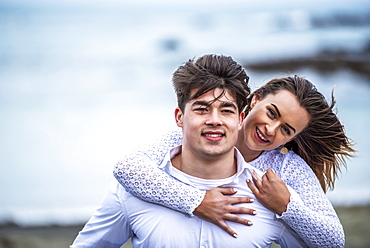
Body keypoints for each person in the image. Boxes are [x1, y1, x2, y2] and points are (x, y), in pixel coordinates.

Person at [70, 54, 308, 247]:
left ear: (240, 118)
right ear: (179, 117)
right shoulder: (132, 189)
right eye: (202, 109)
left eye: (226, 110)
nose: (214, 120)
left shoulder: (271, 197)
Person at [114, 70, 355, 246]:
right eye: (272, 113)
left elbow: (333, 241)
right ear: (256, 98)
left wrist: (287, 206)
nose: (271, 130)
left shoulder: (287, 168)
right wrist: (198, 202)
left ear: (291, 139)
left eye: (286, 130)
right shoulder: (199, 134)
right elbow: (126, 168)